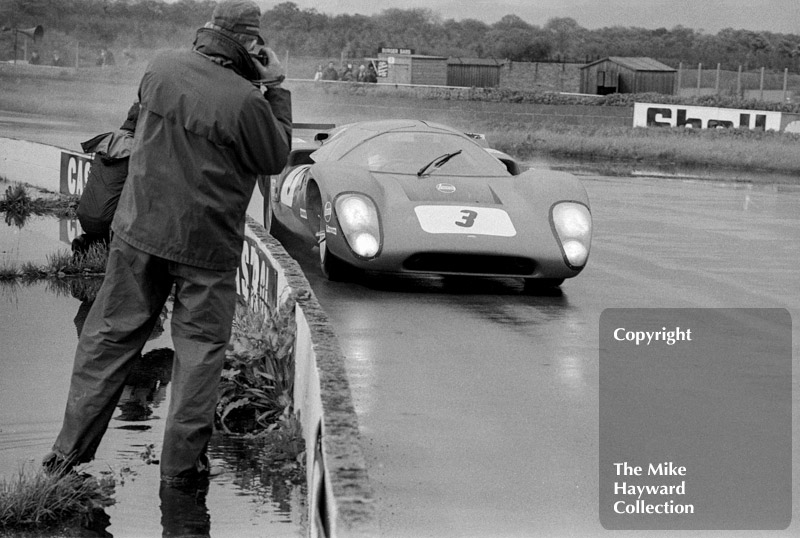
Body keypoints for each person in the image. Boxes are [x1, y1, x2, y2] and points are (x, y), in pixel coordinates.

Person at [44, 0, 292, 487]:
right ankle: (180, 474)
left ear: (207, 31)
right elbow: (275, 155)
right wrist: (277, 87)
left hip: (140, 231)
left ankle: (65, 457)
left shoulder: (159, 66)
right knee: (198, 355)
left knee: (108, 339)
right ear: (250, 44)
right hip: (207, 247)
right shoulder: (247, 101)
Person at [72, 102, 139, 254]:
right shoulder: (137, 148)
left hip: (85, 217)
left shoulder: (107, 140)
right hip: (111, 224)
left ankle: (89, 242)